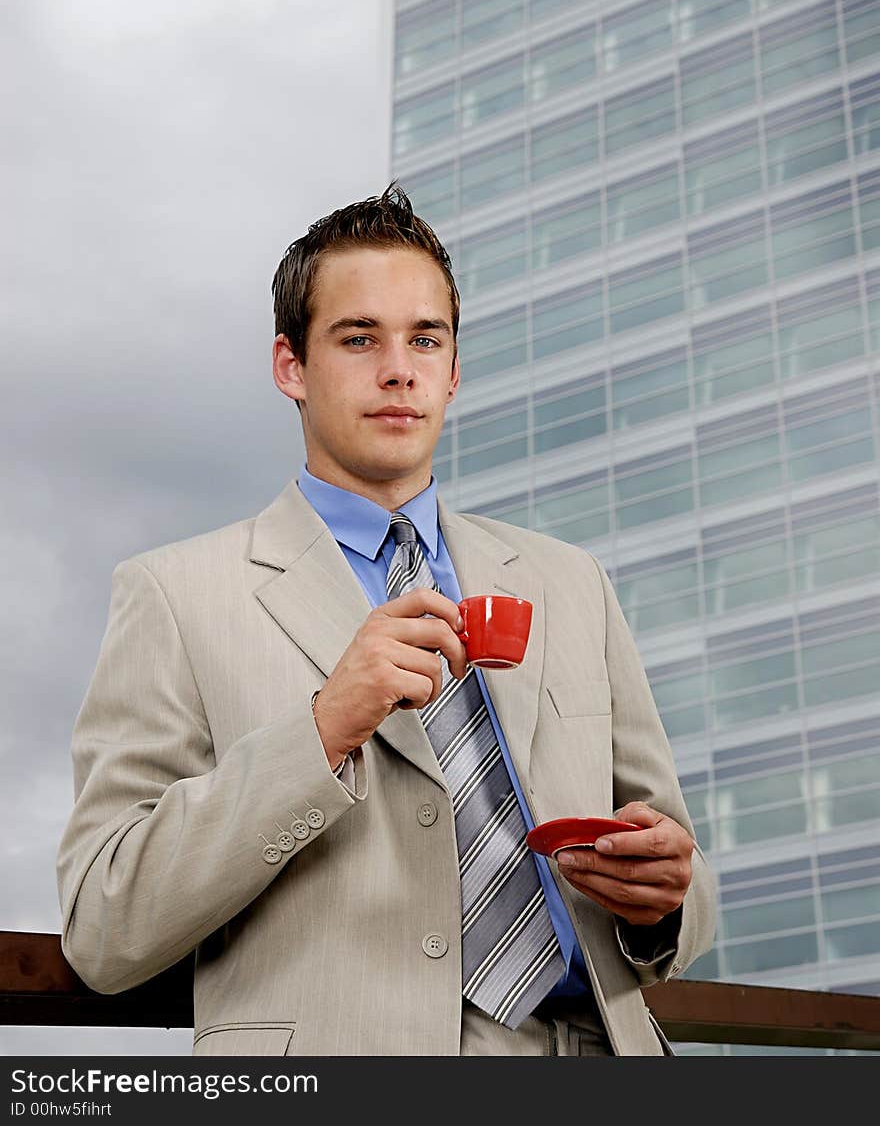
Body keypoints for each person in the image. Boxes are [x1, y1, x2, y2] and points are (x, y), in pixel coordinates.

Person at [56, 183, 715, 1057]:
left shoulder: (572, 582)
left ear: (453, 371)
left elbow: (686, 887)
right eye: (358, 337)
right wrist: (322, 728)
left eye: (424, 339)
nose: (398, 367)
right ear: (290, 365)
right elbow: (106, 921)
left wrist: (667, 896)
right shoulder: (173, 595)